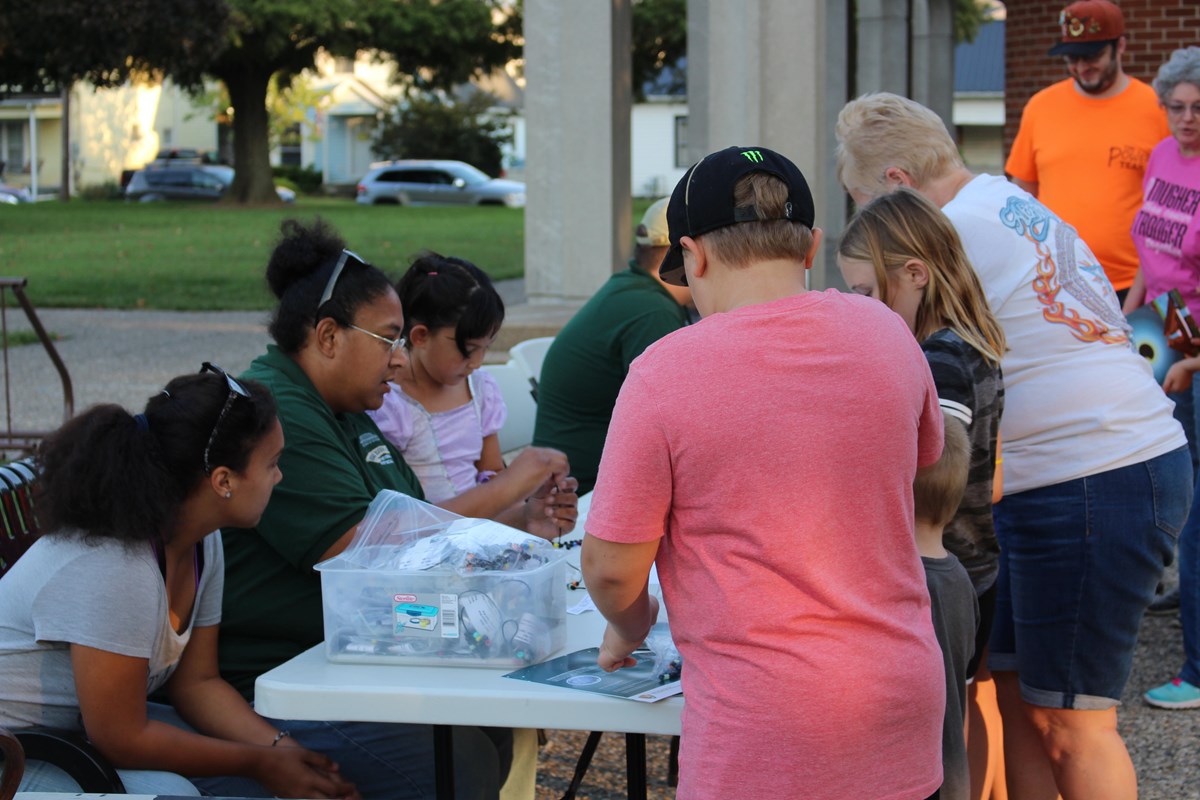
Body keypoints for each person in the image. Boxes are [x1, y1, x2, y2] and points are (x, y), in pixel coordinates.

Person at [837, 91, 1191, 800]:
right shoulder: (1000, 198)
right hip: (1095, 469)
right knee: (1016, 694)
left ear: (900, 187)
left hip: (1093, 472)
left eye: (865, 205)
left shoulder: (951, 235)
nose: (869, 226)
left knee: (1072, 720)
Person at [581, 146, 946, 800]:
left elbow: (611, 568)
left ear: (693, 256)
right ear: (811, 247)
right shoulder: (888, 333)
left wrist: (630, 625)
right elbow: (915, 467)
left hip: (764, 729)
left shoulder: (664, 375)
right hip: (898, 701)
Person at [217, 219, 579, 800]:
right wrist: (510, 485)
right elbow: (370, 559)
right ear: (329, 336)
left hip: (355, 652)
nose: (399, 360)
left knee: (491, 732)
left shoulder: (349, 409)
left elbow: (420, 529)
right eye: (390, 339)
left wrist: (519, 522)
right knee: (463, 765)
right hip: (282, 675)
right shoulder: (281, 414)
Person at [0, 368, 357, 799]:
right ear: (223, 480)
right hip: (16, 751)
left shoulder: (203, 541)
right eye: (272, 464)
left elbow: (198, 685)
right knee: (175, 793)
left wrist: (285, 752)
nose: (278, 478)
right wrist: (259, 762)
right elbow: (122, 738)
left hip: (67, 734)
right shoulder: (119, 564)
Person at [838, 186, 1007, 800]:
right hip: (973, 567)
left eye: (864, 293)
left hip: (936, 573)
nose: (859, 308)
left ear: (914, 274)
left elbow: (937, 469)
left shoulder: (939, 361)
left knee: (927, 762)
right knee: (952, 730)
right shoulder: (973, 340)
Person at [370, 252, 573, 516]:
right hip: (419, 539)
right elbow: (395, 512)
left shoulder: (479, 391)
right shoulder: (387, 402)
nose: (477, 363)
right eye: (468, 349)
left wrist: (528, 495)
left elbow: (493, 474)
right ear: (420, 336)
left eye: (485, 348)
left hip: (479, 532)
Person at [1124, 46, 1200, 709]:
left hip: (1197, 345)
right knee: (1172, 481)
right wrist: (1129, 316)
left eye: (1199, 108)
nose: (1187, 118)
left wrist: (1194, 359)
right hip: (1168, 322)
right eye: (1176, 106)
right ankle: (1183, 597)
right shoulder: (1161, 157)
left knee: (1198, 505)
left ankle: (1198, 671)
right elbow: (1153, 248)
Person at [1004, 0, 1169, 300]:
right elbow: (1022, 196)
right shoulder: (1040, 107)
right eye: (1072, 58)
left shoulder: (1156, 109)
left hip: (1132, 286)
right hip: (1055, 281)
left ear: (1120, 46)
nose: (1081, 67)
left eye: (1091, 56)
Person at [532, 197, 692, 494]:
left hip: (571, 480)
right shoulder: (651, 311)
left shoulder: (634, 288)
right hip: (582, 495)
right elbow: (675, 423)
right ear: (686, 254)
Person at [911, 412, 980, 800]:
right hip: (954, 771)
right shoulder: (961, 582)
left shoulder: (906, 584)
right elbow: (964, 680)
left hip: (919, 776)